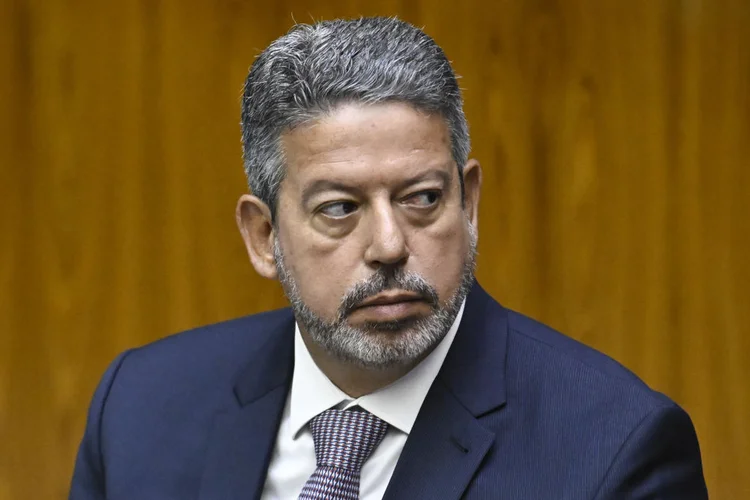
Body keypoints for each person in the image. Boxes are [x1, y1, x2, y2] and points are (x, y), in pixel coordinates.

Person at [69, 16, 708, 500]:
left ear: (470, 202)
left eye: (423, 198)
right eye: (340, 208)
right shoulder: (139, 408)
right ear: (263, 236)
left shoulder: (616, 451)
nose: (390, 246)